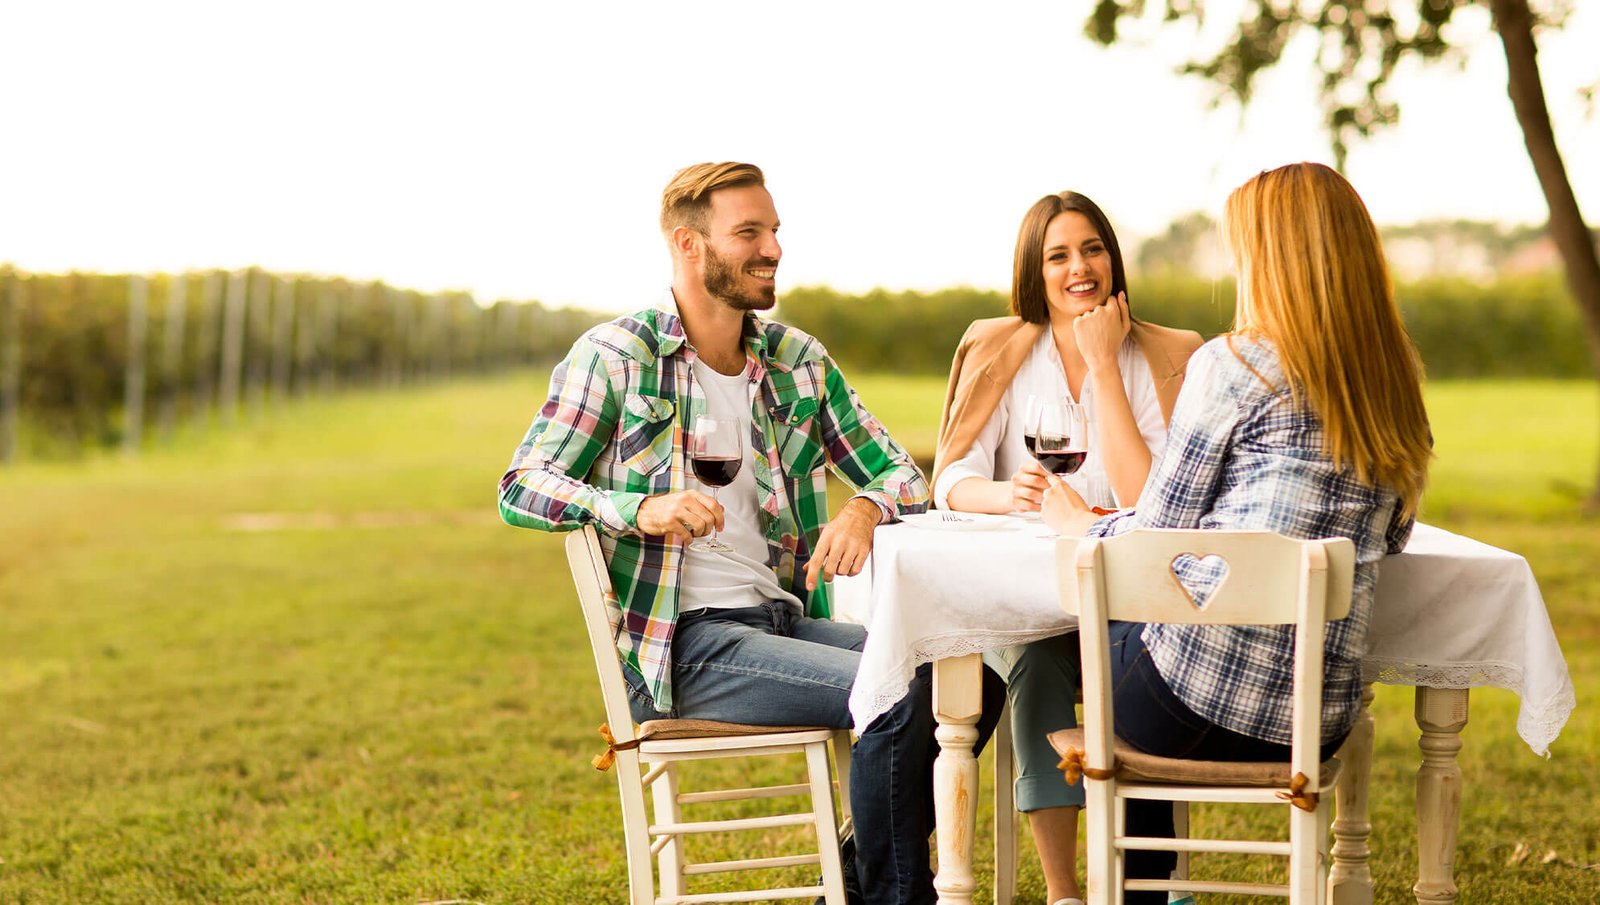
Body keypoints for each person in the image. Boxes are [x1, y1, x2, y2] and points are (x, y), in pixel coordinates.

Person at [498, 161, 1003, 904]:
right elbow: (521, 485)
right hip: (685, 646)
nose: (773, 248)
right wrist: (635, 509)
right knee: (896, 695)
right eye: (750, 232)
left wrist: (863, 506)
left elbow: (902, 474)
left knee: (972, 684)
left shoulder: (798, 362)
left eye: (774, 231)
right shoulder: (616, 358)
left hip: (783, 622)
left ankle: (863, 874)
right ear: (688, 244)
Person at [1041, 162, 1432, 904]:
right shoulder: (1395, 374)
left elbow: (1156, 530)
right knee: (1144, 649)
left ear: (1272, 259)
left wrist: (1074, 524)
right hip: (1318, 719)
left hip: (1195, 707)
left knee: (1072, 645)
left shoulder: (1237, 362)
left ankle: (1132, 887)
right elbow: (1397, 532)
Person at [931, 191, 1203, 905]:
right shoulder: (1002, 352)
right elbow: (953, 476)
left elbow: (1153, 496)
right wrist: (1007, 493)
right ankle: (1064, 892)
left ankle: (1151, 880)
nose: (1079, 267)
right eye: (1058, 255)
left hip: (1129, 588)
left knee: (1138, 662)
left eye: (1092, 249)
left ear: (1112, 258)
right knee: (1034, 661)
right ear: (1034, 268)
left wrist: (1104, 364)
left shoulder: (1161, 356)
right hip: (1027, 592)